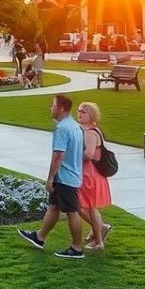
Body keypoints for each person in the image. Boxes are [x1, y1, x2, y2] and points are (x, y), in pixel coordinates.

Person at [18, 94, 87, 259]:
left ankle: (77, 248)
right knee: (53, 207)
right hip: (70, 175)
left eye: (52, 105)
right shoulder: (76, 126)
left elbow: (58, 156)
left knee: (72, 211)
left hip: (64, 178)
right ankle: (39, 237)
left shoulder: (62, 128)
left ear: (61, 108)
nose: (50, 107)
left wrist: (50, 178)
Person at [77, 102, 113, 250]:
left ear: (91, 115)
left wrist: (71, 158)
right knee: (79, 205)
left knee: (89, 207)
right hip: (89, 172)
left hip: (90, 173)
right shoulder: (89, 130)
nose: (79, 113)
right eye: (79, 110)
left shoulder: (91, 132)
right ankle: (99, 228)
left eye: (83, 112)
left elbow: (89, 154)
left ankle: (99, 241)